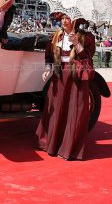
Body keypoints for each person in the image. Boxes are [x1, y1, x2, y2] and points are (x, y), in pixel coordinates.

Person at [35, 13, 96, 160]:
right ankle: (52, 144)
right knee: (56, 109)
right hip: (59, 76)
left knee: (74, 111)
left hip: (75, 77)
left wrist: (76, 43)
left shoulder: (85, 36)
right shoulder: (56, 36)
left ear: (74, 20)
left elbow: (88, 56)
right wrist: (47, 69)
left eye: (67, 18)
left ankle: (69, 149)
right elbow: (49, 56)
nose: (64, 21)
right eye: (62, 18)